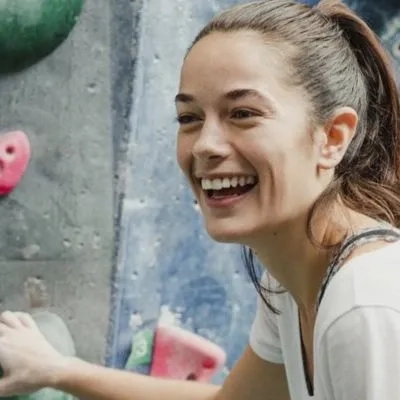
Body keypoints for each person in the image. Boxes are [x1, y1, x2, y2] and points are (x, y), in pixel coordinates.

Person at [0, 0, 399, 398]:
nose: (204, 145)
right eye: (189, 118)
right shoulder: (292, 282)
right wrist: (56, 369)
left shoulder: (364, 306)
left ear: (333, 137)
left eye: (242, 113)